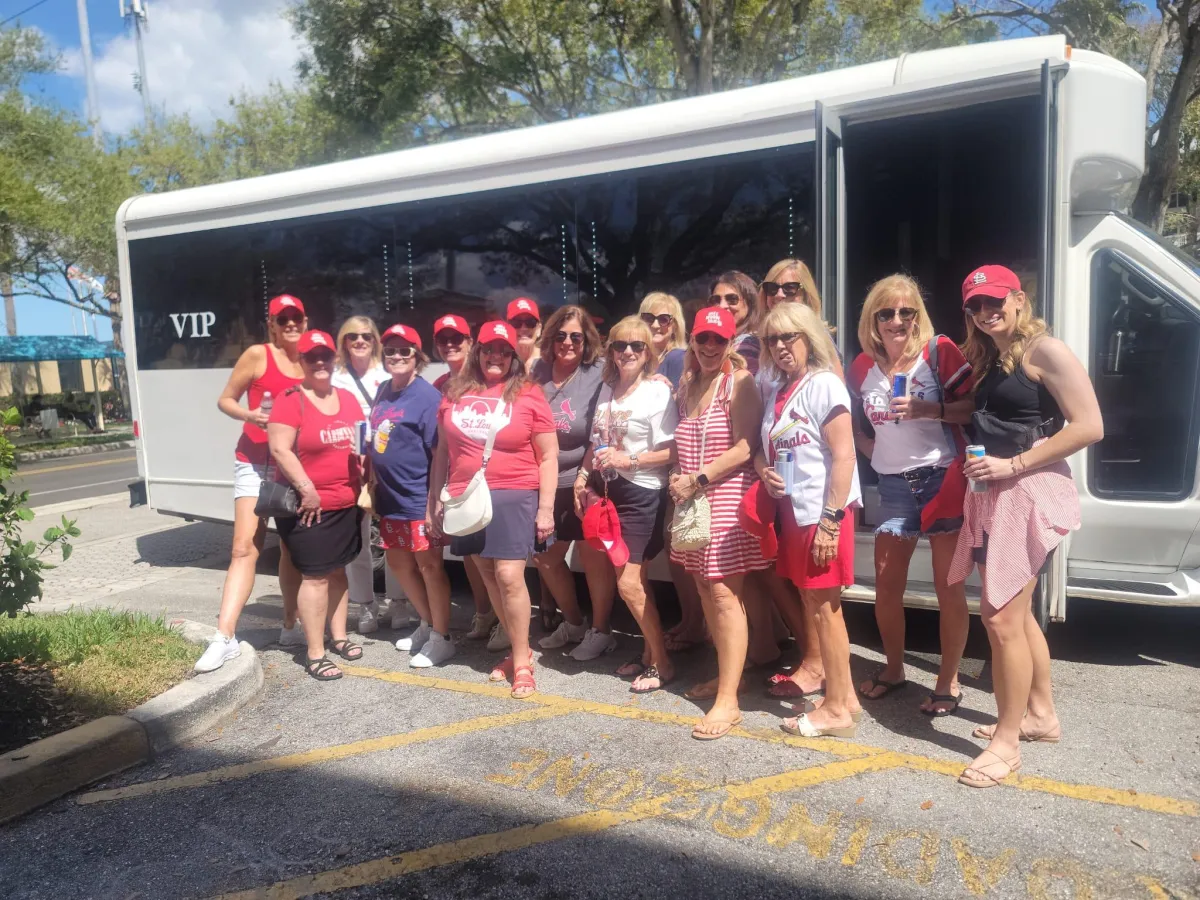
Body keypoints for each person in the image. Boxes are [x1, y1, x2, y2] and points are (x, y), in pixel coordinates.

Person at [950, 265, 1102, 788]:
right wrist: (931, 408)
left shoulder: (1046, 350)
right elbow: (993, 411)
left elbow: (1089, 425)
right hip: (997, 493)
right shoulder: (995, 355)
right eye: (975, 306)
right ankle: (1041, 716)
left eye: (995, 301)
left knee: (1000, 621)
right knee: (1018, 616)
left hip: (1025, 491)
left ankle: (1007, 744)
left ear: (1018, 299)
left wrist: (1012, 467)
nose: (986, 312)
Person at [848, 275, 975, 716]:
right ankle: (895, 669)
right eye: (886, 313)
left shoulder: (938, 352)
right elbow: (854, 423)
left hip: (941, 477)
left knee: (948, 587)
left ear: (917, 315)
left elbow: (973, 407)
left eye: (906, 311)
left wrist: (929, 409)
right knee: (886, 584)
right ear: (874, 319)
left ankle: (948, 681)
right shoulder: (862, 366)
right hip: (894, 486)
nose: (897, 320)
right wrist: (870, 450)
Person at [429, 321, 558, 699]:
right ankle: (522, 648)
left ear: (514, 355)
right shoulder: (453, 391)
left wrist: (545, 509)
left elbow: (548, 456)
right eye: (488, 349)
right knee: (485, 570)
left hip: (514, 492)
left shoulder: (529, 394)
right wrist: (435, 496)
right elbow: (442, 453)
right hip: (465, 496)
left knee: (507, 574)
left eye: (504, 350)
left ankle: (521, 663)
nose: (495, 356)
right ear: (477, 351)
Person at [756, 303, 862, 738]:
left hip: (822, 513)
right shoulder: (782, 388)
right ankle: (846, 696)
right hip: (795, 514)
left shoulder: (824, 384)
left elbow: (845, 455)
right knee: (815, 606)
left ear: (809, 338)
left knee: (825, 610)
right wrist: (764, 470)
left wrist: (831, 522)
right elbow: (769, 446)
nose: (781, 347)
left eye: (790, 337)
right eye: (772, 340)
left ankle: (836, 709)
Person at [668, 307, 770, 740]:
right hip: (692, 500)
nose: (710, 347)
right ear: (692, 340)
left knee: (725, 594)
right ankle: (729, 679)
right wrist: (680, 476)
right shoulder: (688, 383)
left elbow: (747, 447)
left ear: (730, 344)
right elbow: (681, 444)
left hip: (723, 495)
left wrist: (698, 477)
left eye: (719, 341)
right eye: (703, 339)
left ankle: (728, 701)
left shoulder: (739, 383)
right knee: (704, 589)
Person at [198, 294, 305, 673]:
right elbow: (225, 399)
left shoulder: (311, 357)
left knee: (293, 550)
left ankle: (290, 624)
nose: (291, 323)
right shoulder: (258, 355)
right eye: (283, 318)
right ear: (272, 324)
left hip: (294, 466)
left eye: (296, 317)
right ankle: (223, 637)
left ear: (305, 321)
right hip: (254, 463)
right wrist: (250, 414)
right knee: (245, 548)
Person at [575, 316, 676, 693]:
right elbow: (594, 443)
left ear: (648, 351)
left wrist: (628, 461)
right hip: (607, 493)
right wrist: (584, 478)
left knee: (629, 584)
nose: (628, 352)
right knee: (638, 580)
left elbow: (672, 450)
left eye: (636, 346)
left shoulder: (657, 392)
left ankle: (662, 662)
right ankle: (650, 653)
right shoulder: (606, 390)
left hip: (642, 493)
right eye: (620, 345)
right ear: (611, 351)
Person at [266, 330, 367, 682]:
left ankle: (339, 637)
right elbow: (280, 448)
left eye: (326, 356)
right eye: (312, 357)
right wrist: (307, 487)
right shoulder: (290, 399)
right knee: (315, 576)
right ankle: (315, 652)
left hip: (347, 501)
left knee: (339, 570)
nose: (320, 362)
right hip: (309, 506)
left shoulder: (348, 398)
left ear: (334, 358)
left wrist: (368, 471)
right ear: (302, 362)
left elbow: (361, 440)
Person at [528, 306, 619, 660]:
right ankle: (576, 623)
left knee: (591, 556)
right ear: (551, 338)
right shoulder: (536, 373)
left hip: (582, 478)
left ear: (587, 341)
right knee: (546, 558)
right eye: (561, 335)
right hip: (543, 481)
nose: (568, 342)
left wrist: (583, 476)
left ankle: (602, 631)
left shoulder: (597, 373)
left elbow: (600, 430)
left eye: (576, 337)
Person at [368, 324, 454, 667]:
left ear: (417, 357)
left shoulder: (428, 397)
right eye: (391, 350)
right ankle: (427, 622)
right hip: (389, 500)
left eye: (405, 350)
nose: (397, 356)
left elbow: (440, 455)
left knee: (430, 567)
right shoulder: (383, 391)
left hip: (419, 498)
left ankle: (442, 637)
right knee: (399, 563)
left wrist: (435, 504)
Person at [638, 291, 703, 652]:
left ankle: (695, 623)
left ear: (676, 325)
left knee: (680, 547)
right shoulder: (645, 359)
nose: (657, 325)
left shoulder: (677, 358)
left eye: (665, 319)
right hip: (657, 472)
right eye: (649, 318)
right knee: (675, 546)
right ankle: (691, 620)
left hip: (678, 467)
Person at [430, 314, 495, 642]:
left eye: (458, 339)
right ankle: (484, 615)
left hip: (489, 482)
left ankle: (501, 619)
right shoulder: (440, 386)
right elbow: (440, 447)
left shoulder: (487, 381)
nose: (451, 345)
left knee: (492, 557)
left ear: (471, 343)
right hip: (457, 485)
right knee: (469, 553)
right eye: (444, 340)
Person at [331, 316, 389, 635]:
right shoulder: (336, 378)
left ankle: (400, 601)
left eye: (366, 336)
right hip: (351, 464)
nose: (360, 341)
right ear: (344, 341)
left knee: (395, 537)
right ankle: (366, 605)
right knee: (360, 540)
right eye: (352, 336)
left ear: (375, 340)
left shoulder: (386, 374)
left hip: (386, 463)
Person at [709, 271, 763, 375]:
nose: (722, 305)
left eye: (732, 299)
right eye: (716, 300)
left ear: (749, 303)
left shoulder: (747, 344)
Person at [639, 292, 688, 390]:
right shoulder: (634, 357)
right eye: (649, 318)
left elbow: (683, 402)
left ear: (675, 325)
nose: (655, 325)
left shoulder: (679, 358)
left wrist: (670, 392)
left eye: (663, 319)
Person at [507, 297, 542, 372]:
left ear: (539, 329)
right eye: (516, 322)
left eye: (530, 322)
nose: (524, 328)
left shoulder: (550, 362)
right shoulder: (501, 362)